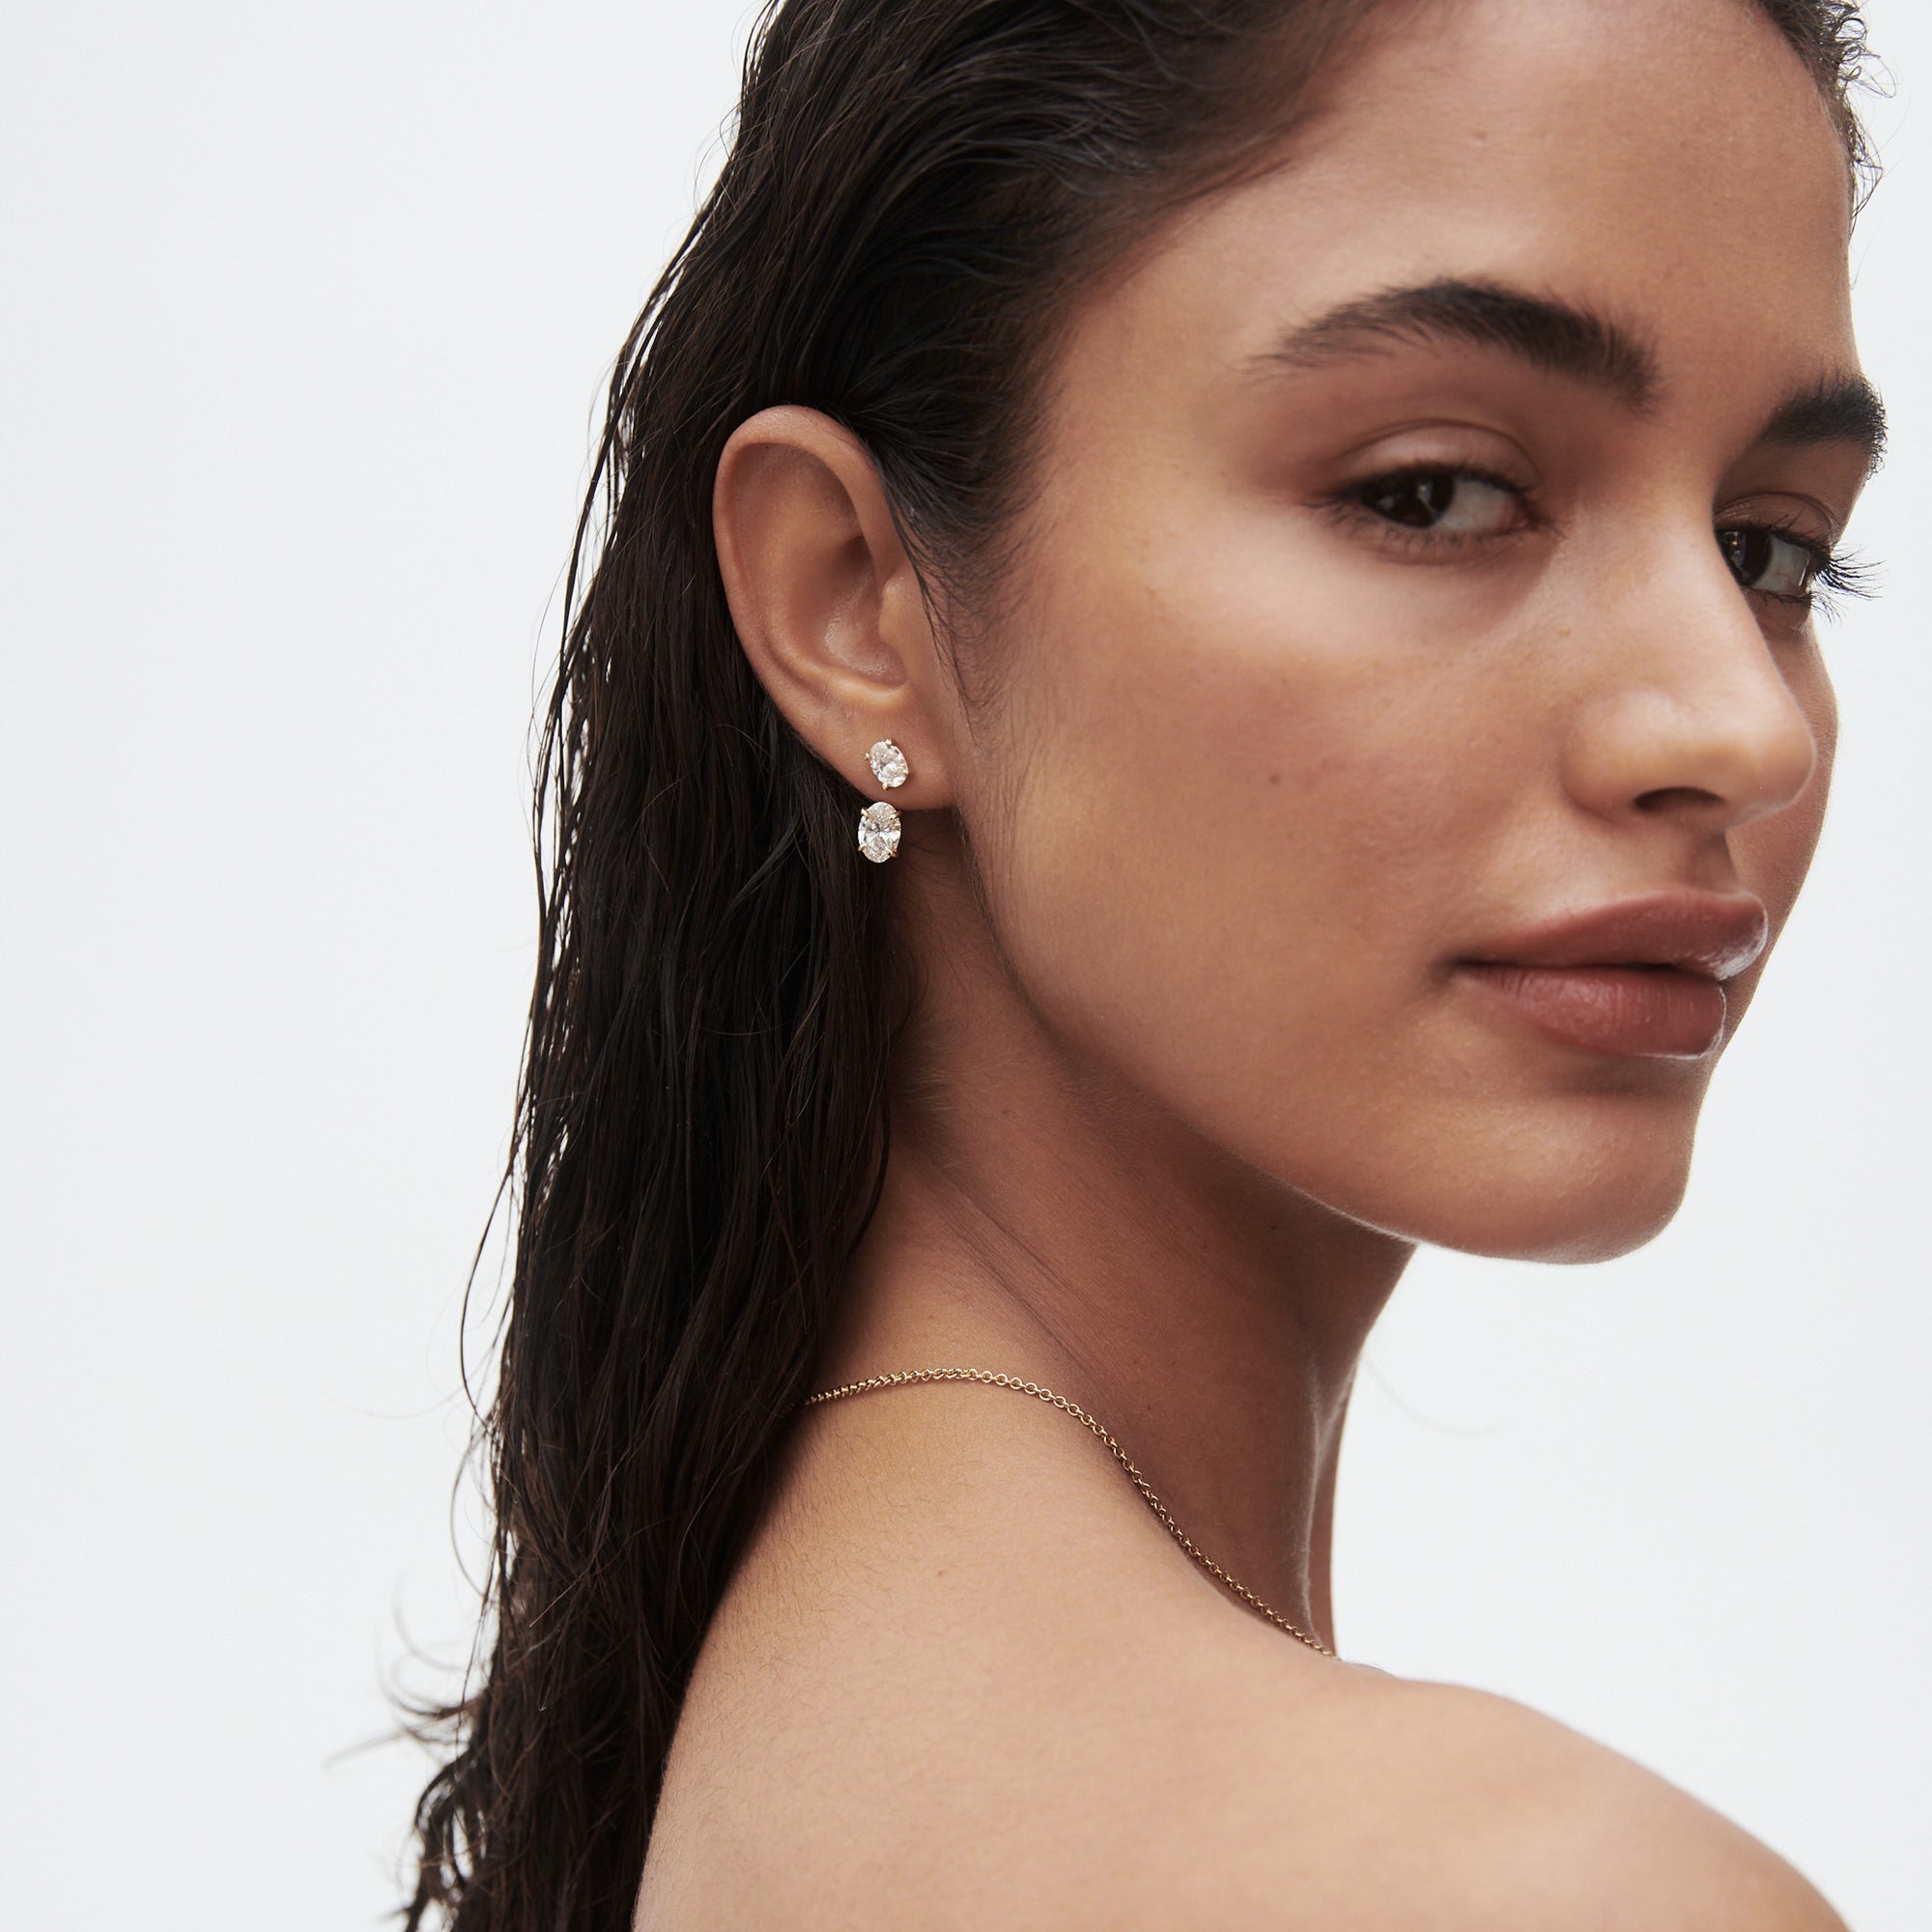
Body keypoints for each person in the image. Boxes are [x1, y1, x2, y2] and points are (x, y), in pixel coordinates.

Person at [405, 0, 1886, 1924]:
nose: (1735, 725)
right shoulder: (1518, 1892)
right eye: (1431, 492)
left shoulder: (779, 1748)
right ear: (856, 603)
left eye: (1773, 549)